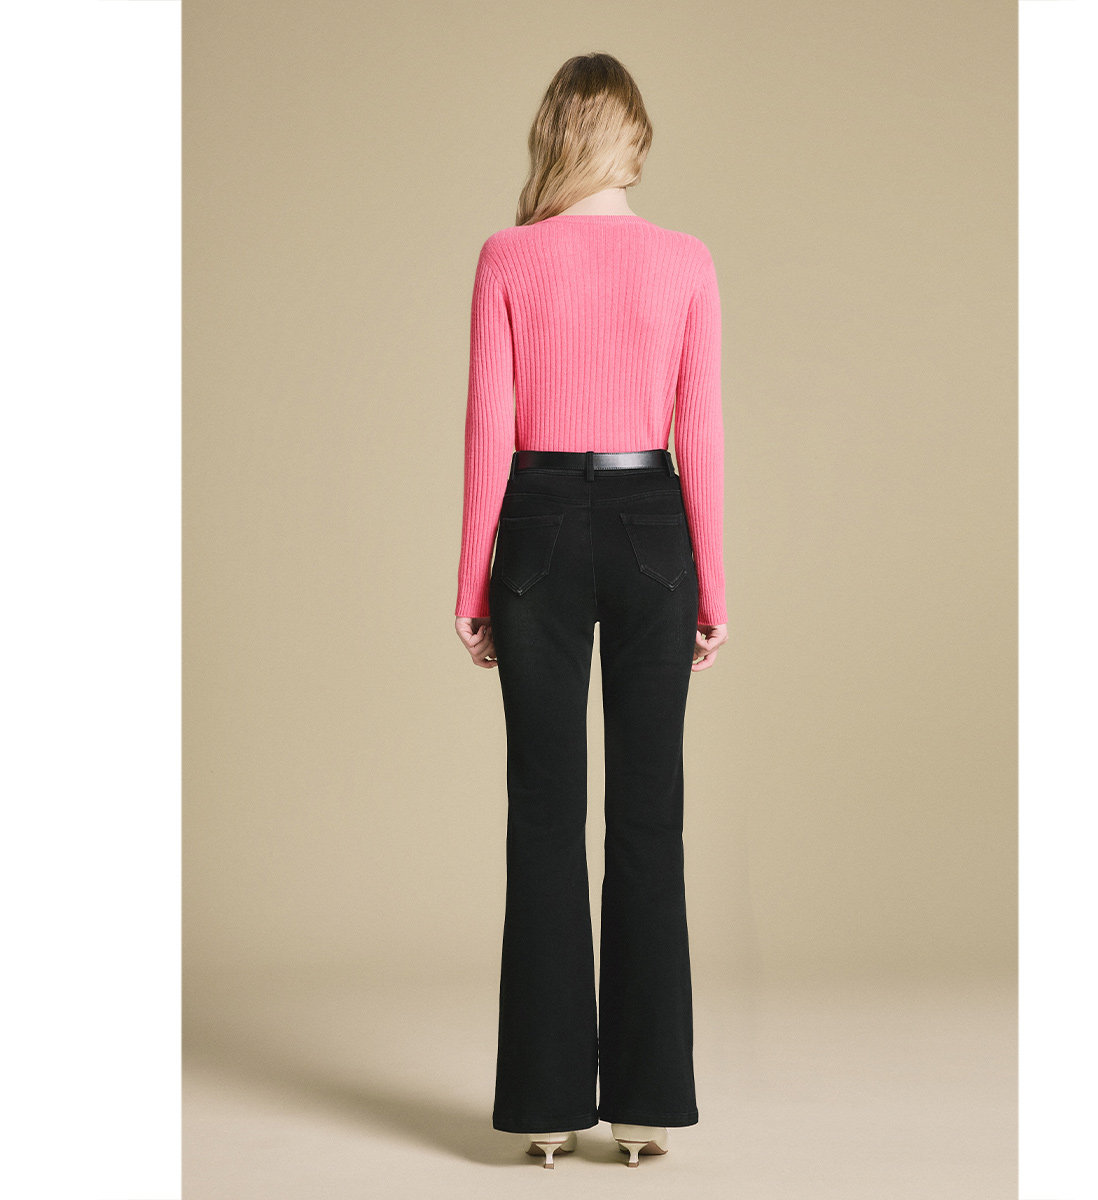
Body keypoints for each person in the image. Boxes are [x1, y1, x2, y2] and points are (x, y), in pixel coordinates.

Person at [452, 51, 729, 1169]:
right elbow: (699, 429)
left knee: (542, 815)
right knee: (650, 818)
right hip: (654, 521)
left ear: (552, 137)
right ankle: (648, 1108)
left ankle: (545, 1107)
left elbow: (489, 423)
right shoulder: (686, 260)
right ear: (636, 143)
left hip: (540, 524)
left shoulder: (508, 256)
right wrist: (715, 582)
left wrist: (470, 581)